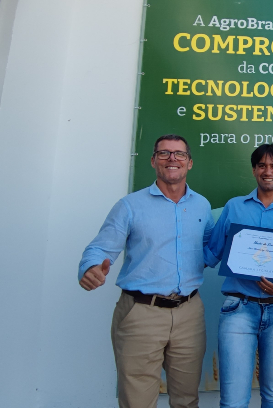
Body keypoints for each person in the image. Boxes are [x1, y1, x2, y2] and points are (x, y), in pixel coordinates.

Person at [78, 134, 214, 408]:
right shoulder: (130, 206)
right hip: (141, 313)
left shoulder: (202, 205)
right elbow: (100, 248)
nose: (172, 159)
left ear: (189, 163)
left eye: (179, 154)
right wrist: (91, 266)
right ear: (153, 161)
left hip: (189, 313)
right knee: (137, 401)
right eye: (164, 153)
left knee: (187, 400)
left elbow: (209, 247)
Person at [205, 144, 273, 408]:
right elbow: (212, 252)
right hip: (238, 309)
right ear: (254, 170)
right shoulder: (234, 207)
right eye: (262, 165)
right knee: (232, 400)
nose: (268, 171)